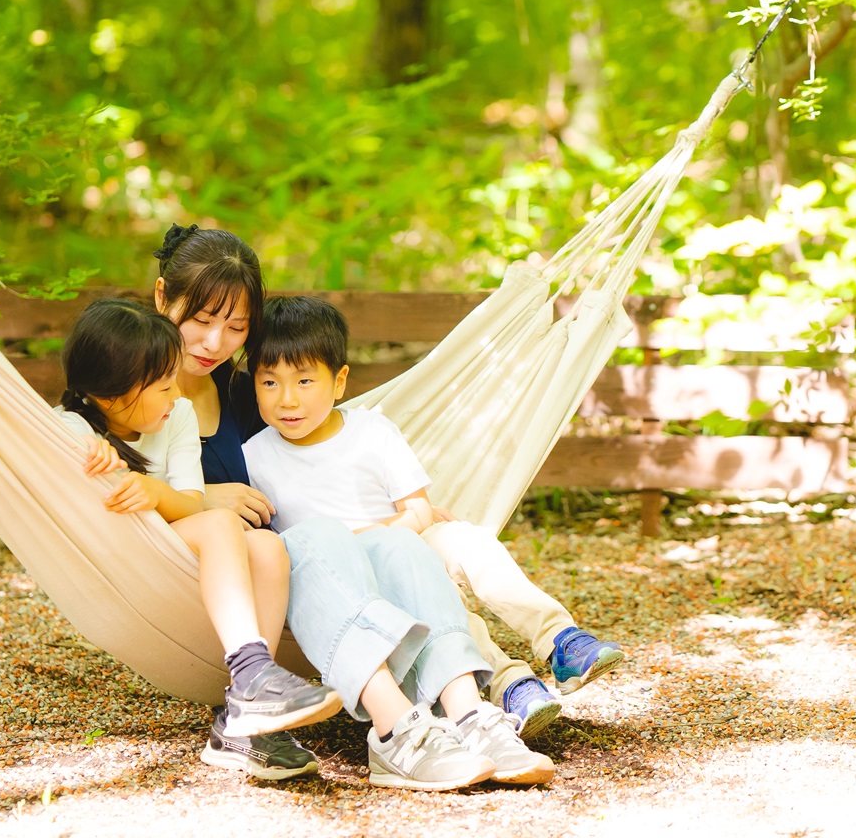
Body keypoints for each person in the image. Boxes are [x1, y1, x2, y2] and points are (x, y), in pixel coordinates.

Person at [144, 226, 555, 789]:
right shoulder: (133, 386)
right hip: (196, 577)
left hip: (305, 574)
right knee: (312, 538)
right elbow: (115, 486)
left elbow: (319, 449)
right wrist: (203, 498)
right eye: (201, 320)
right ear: (163, 297)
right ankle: (397, 729)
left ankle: (470, 716)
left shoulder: (251, 396)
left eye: (236, 328)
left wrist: (414, 512)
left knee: (391, 541)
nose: (215, 342)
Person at [243, 297, 626, 736]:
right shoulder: (254, 459)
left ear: (339, 381)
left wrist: (396, 531)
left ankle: (560, 640)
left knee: (469, 541)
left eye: (305, 380)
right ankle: (511, 684)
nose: (287, 399)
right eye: (269, 383)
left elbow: (420, 510)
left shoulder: (372, 431)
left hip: (407, 546)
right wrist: (378, 535)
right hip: (355, 585)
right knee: (436, 591)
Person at [54, 297, 340, 780]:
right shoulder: (71, 430)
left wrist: (153, 490)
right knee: (222, 522)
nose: (174, 395)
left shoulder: (178, 415)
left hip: (178, 546)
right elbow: (62, 465)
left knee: (267, 544)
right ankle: (252, 676)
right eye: (162, 386)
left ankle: (247, 716)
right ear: (109, 394)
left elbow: (189, 501)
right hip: (123, 558)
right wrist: (84, 447)